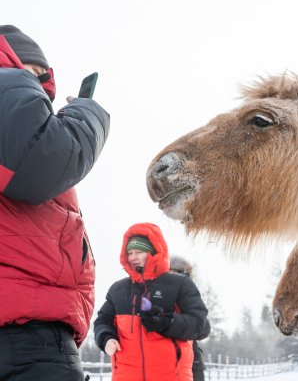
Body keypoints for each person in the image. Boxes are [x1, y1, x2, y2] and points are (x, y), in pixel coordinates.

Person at [0, 25, 110, 381]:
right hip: (24, 336)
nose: (37, 83)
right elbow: (45, 159)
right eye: (33, 73)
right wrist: (88, 113)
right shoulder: (6, 84)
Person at [94, 222, 210, 381]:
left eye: (139, 252)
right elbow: (102, 321)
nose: (133, 257)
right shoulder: (118, 290)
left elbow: (199, 324)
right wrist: (106, 338)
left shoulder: (179, 284)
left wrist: (167, 322)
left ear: (153, 252)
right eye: (130, 252)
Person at [170, 255, 208, 381]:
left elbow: (204, 328)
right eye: (169, 273)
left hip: (192, 363)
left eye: (176, 273)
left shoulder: (191, 299)